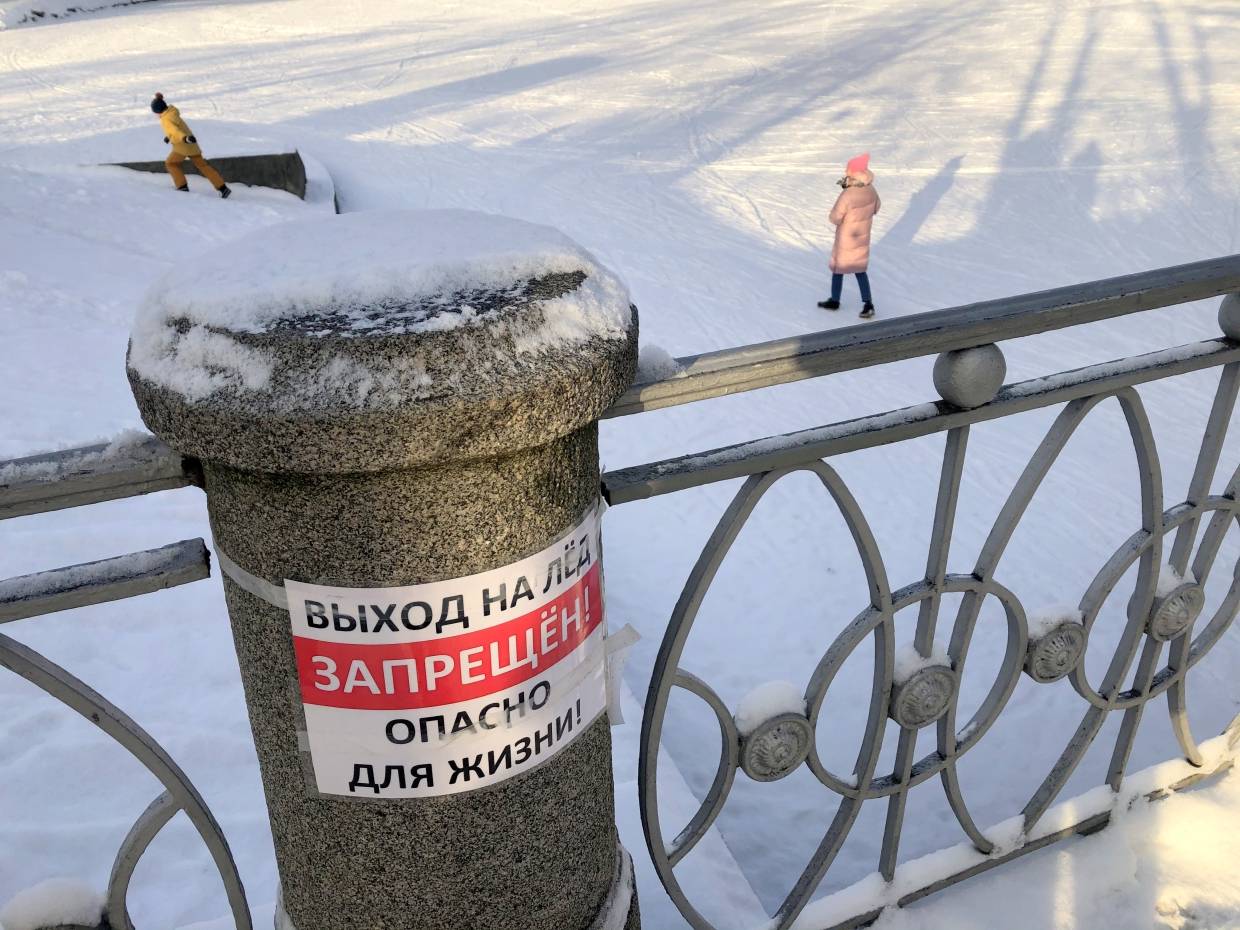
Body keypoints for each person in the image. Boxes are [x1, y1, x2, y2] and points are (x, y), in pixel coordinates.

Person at [819, 152, 879, 318]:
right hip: (862, 237)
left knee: (838, 269)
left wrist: (847, 192)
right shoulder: (871, 189)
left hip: (846, 239)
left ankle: (835, 300)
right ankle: (868, 303)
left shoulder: (848, 194)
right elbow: (876, 207)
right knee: (860, 270)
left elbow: (835, 217)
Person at [150, 93, 231, 198]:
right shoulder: (172, 113)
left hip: (182, 146)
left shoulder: (165, 119)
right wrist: (169, 137)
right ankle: (223, 188)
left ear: (157, 110)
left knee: (171, 164)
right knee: (203, 166)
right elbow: (177, 128)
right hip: (191, 144)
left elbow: (175, 131)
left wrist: (184, 138)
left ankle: (182, 186)